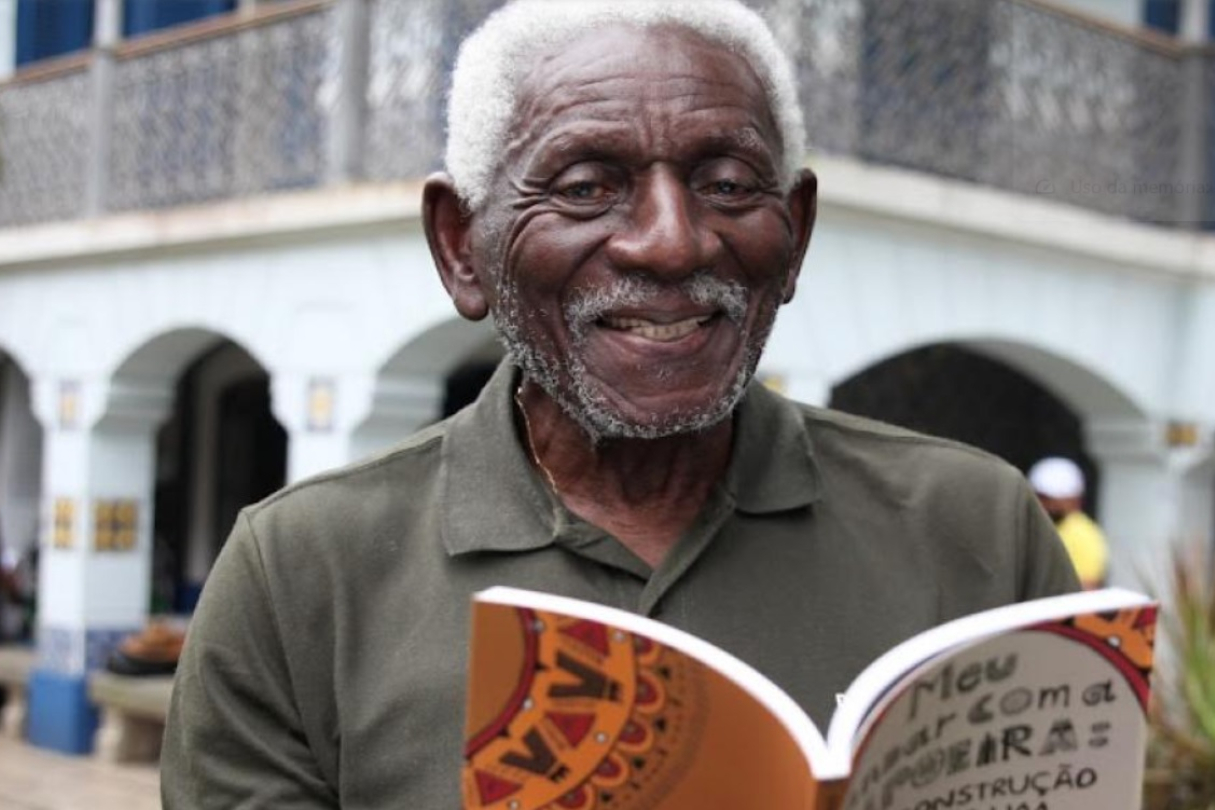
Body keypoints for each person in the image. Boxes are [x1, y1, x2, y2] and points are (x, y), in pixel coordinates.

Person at [161, 2, 1079, 806]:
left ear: (795, 234)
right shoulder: (299, 575)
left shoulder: (978, 534)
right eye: (585, 187)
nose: (672, 244)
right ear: (462, 248)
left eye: (727, 184)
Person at [1028, 456, 1109, 589]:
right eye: (1039, 497)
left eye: (1048, 498)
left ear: (1073, 500)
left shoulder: (1082, 534)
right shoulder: (1034, 528)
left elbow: (1087, 587)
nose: (1045, 505)